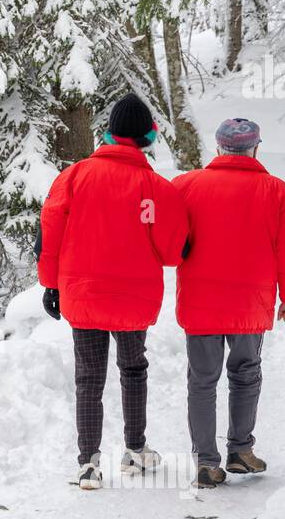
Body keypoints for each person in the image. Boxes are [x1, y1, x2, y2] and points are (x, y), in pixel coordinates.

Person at [38, 93, 188, 490]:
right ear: (148, 136)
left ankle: (88, 464)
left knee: (88, 377)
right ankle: (135, 451)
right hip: (133, 297)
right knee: (133, 369)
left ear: (107, 134)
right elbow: (172, 252)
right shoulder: (156, 188)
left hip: (82, 292)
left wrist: (50, 285)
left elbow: (50, 236)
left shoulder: (73, 177)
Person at [172, 118, 285, 489]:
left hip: (200, 301)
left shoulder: (184, 186)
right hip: (250, 302)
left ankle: (205, 462)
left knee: (202, 381)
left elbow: (168, 240)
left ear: (217, 148)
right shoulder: (278, 192)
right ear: (256, 149)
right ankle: (240, 451)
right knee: (245, 375)